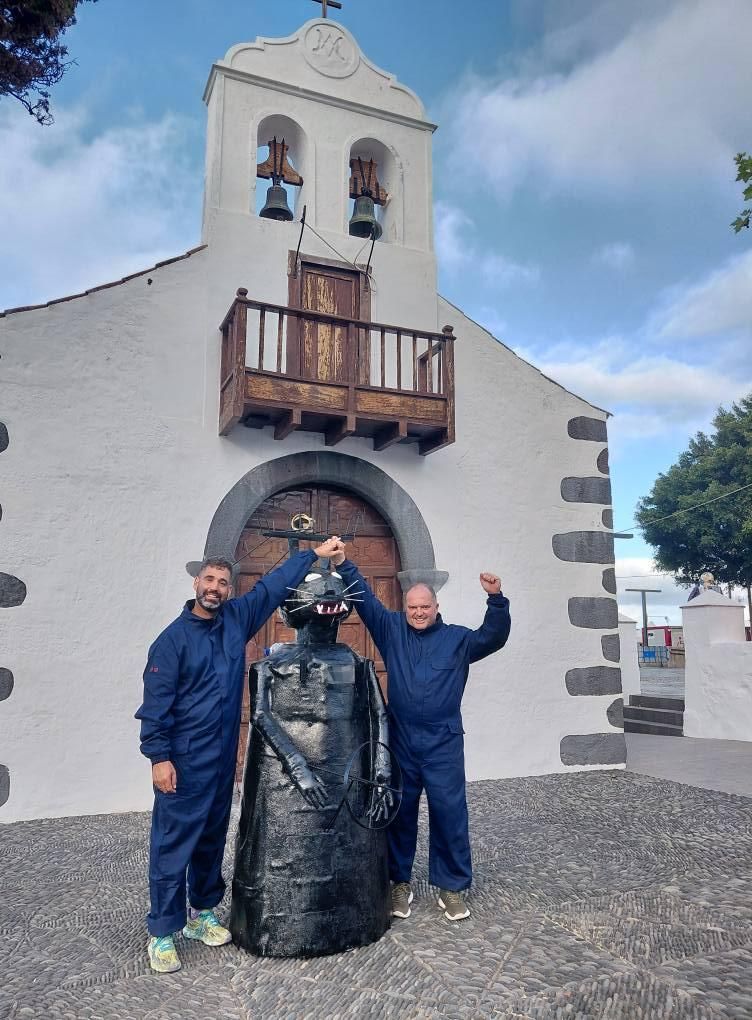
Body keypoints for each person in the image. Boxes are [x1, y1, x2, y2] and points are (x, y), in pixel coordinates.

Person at [135, 537, 343, 973]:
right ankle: (162, 931)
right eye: (209, 580)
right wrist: (159, 758)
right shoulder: (171, 642)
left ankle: (203, 912)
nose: (214, 588)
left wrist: (313, 556)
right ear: (196, 582)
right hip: (184, 760)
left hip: (221, 758)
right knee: (173, 844)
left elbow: (271, 588)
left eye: (222, 582)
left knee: (211, 838)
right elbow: (155, 706)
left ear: (229, 589)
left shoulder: (235, 620)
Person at [330, 541, 511, 922]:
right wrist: (344, 563)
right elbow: (365, 601)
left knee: (449, 813)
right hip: (402, 739)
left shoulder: (458, 639)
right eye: (412, 607)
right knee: (399, 812)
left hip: (443, 740)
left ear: (436, 607)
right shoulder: (392, 629)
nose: (417, 613)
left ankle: (452, 888)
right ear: (405, 608)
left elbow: (493, 637)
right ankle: (399, 884)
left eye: (424, 607)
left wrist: (496, 600)